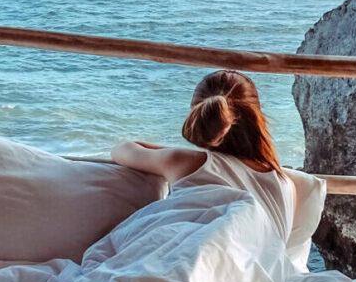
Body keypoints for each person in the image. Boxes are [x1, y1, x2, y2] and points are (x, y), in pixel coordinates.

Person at [112, 70, 326, 271]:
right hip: (258, 278)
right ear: (257, 116)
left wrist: (174, 152)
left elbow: (122, 150)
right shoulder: (286, 183)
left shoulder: (185, 162)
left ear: (198, 114)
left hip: (197, 266)